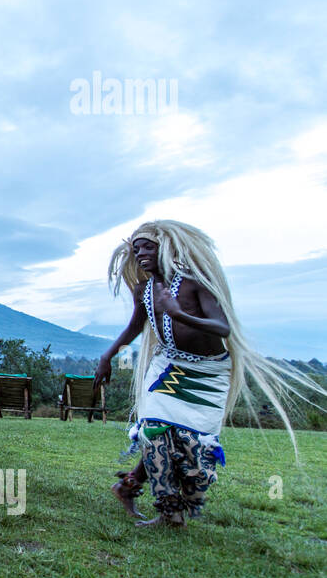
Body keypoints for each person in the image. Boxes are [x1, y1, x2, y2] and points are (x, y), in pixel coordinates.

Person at [93, 221, 323, 526]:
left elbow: (222, 327)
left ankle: (129, 486)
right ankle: (169, 511)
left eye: (147, 246)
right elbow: (136, 326)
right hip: (169, 366)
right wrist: (107, 356)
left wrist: (178, 313)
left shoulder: (193, 283)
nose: (141, 253)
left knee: (190, 442)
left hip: (208, 372)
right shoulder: (144, 290)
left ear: (165, 249)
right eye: (136, 249)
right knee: (155, 429)